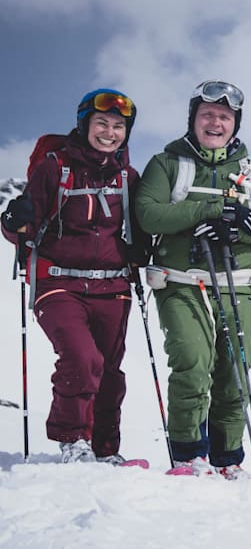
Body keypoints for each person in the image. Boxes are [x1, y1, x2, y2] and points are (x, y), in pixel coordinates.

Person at [135, 80, 251, 476]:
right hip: (180, 281)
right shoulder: (166, 164)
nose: (215, 123)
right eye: (207, 115)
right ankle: (189, 455)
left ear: (235, 123)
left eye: (224, 116)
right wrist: (210, 210)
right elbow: (148, 213)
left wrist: (241, 231)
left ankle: (227, 460)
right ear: (193, 119)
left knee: (235, 371)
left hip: (238, 283)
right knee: (191, 363)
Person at [1, 89, 145, 463]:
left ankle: (105, 450)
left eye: (118, 126)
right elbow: (23, 226)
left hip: (112, 285)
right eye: (102, 123)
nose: (110, 133)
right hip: (57, 282)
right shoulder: (55, 167)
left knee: (110, 371)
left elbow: (141, 229)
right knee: (82, 358)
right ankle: (72, 440)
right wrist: (12, 221)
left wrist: (143, 251)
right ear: (84, 124)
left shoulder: (128, 177)